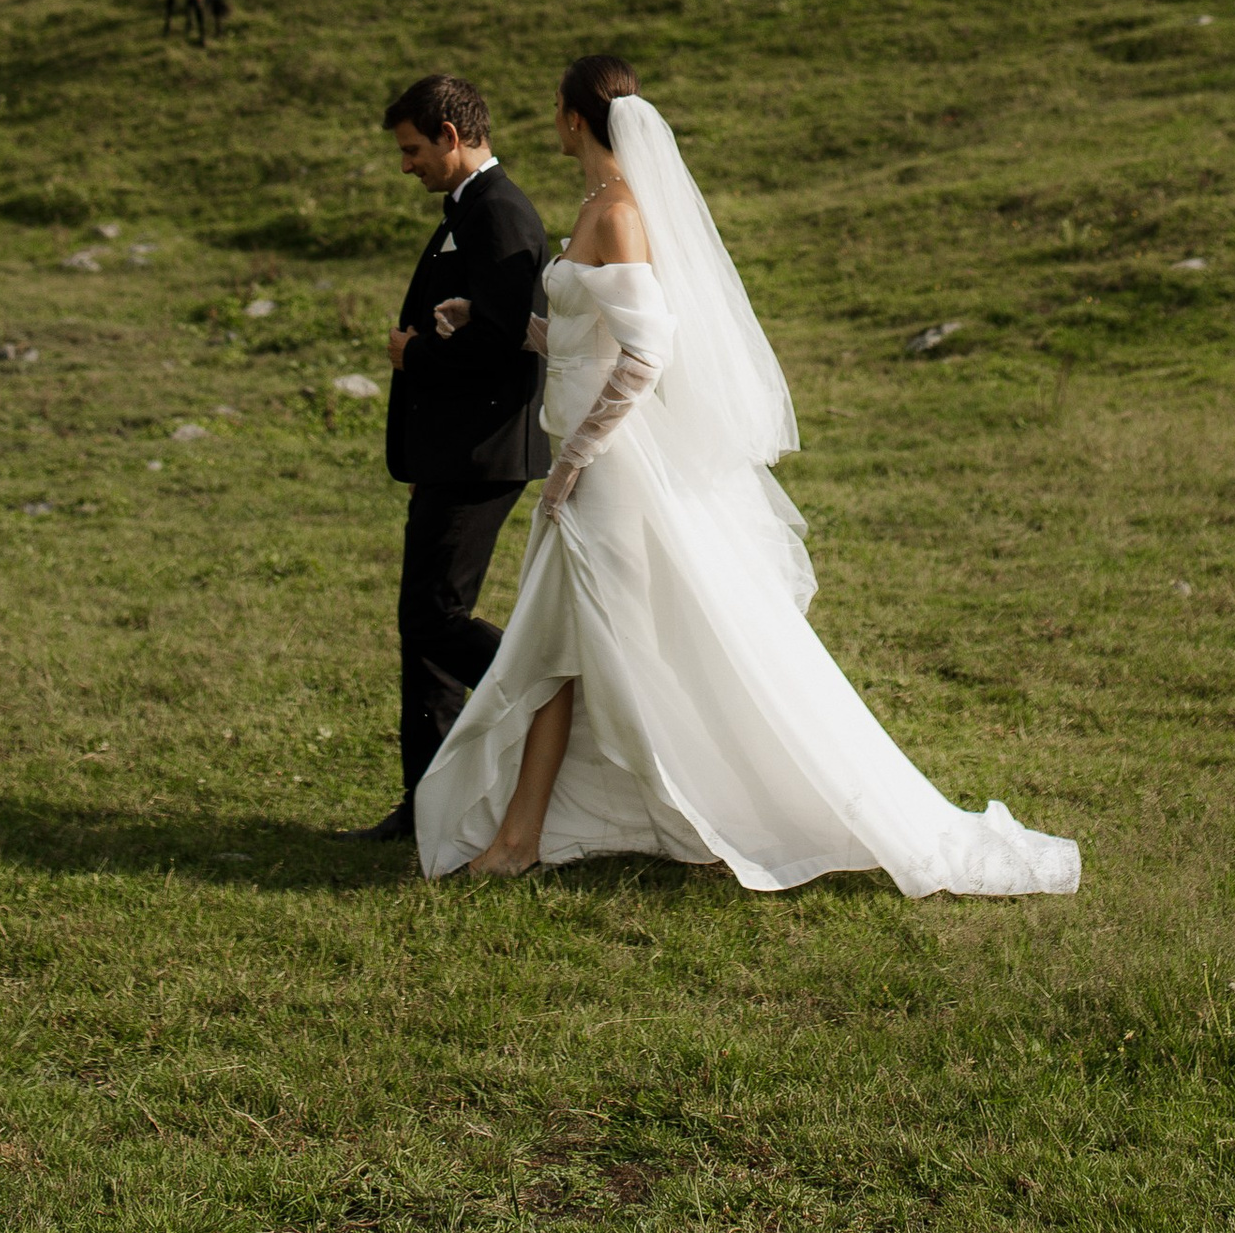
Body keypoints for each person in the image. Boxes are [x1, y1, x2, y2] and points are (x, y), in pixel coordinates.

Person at [414, 53, 1079, 898]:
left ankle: (651, 812)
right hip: (587, 465)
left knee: (620, 647)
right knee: (560, 650)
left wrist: (577, 456)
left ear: (574, 118)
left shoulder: (620, 213)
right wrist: (502, 325)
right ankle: (522, 834)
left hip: (609, 471)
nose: (552, 119)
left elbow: (646, 356)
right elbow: (587, 341)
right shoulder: (596, 205)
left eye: (555, 106)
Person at [342, 71, 551, 845]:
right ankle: (428, 804)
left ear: (452, 136)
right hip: (453, 451)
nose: (407, 165)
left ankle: (546, 699)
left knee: (434, 618)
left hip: (481, 453)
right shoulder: (468, 208)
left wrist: (417, 356)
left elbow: (505, 344)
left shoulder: (498, 212)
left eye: (412, 150)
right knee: (423, 624)